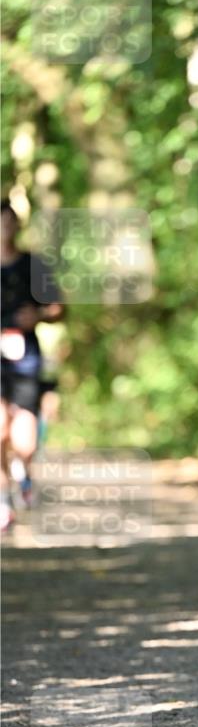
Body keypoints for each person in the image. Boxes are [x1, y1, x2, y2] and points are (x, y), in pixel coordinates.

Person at [1, 199, 65, 530]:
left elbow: (59, 307)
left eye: (10, 223)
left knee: (24, 441)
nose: (5, 229)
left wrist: (36, 315)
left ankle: (23, 474)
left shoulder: (32, 265)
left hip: (25, 361)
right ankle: (2, 502)